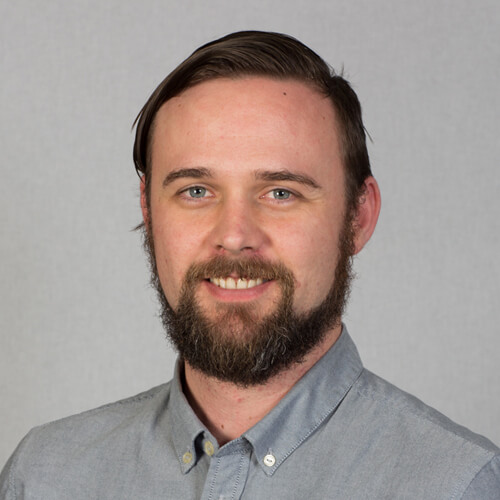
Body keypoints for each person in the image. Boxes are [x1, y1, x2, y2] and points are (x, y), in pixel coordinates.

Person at [1, 31, 499, 500]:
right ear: (148, 212)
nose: (235, 235)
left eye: (280, 193)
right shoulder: (45, 478)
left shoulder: (456, 485)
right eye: (196, 191)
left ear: (358, 217)